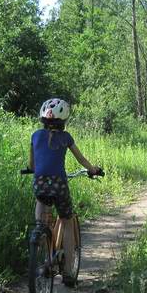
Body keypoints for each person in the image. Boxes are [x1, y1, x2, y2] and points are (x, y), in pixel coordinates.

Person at [28, 98, 101, 228]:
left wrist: (32, 169)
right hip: (59, 183)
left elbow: (32, 165)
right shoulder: (66, 137)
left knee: (41, 200)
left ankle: (40, 232)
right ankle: (67, 248)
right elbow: (81, 159)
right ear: (64, 120)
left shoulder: (35, 136)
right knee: (67, 222)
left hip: (39, 182)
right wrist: (93, 170)